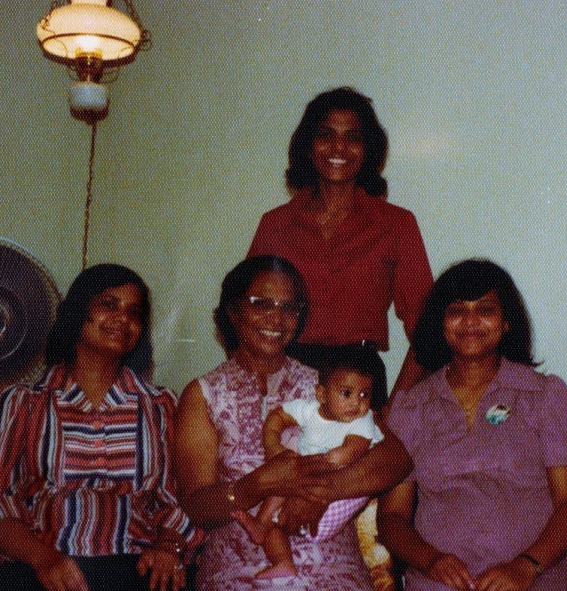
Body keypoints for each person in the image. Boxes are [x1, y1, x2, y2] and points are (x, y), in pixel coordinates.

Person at [174, 256, 412, 591]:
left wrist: (323, 491)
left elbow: (397, 459)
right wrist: (257, 484)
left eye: (289, 307)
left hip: (332, 569)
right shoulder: (204, 395)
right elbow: (197, 506)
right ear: (233, 312)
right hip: (241, 570)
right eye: (261, 303)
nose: (276, 317)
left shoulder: (327, 386)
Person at [377, 259, 567, 591]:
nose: (470, 321)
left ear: (506, 322)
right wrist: (430, 560)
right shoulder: (410, 408)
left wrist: (526, 566)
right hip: (441, 583)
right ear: (440, 323)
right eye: (457, 310)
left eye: (485, 309)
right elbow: (392, 517)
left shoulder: (545, 396)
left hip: (535, 579)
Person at [0, 264, 201, 591]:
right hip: (43, 566)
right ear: (79, 312)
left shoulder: (160, 405)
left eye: (135, 312)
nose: (124, 318)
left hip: (136, 567)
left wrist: (168, 545)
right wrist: (42, 559)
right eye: (109, 304)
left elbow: (179, 497)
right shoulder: (25, 403)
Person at [247, 86, 433, 401]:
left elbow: (429, 330)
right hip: (284, 378)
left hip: (359, 380)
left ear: (368, 150)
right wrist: (256, 383)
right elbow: (242, 314)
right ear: (308, 146)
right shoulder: (276, 224)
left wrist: (394, 408)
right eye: (326, 135)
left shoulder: (396, 225)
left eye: (353, 137)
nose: (339, 146)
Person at [231, 346, 386, 580]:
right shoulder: (310, 410)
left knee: (292, 472)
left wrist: (322, 462)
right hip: (307, 490)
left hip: (337, 494)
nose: (356, 403)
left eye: (364, 394)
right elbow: (278, 417)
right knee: (280, 496)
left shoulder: (361, 420)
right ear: (322, 394)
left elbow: (354, 450)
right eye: (346, 393)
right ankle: (281, 558)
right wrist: (274, 446)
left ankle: (263, 522)